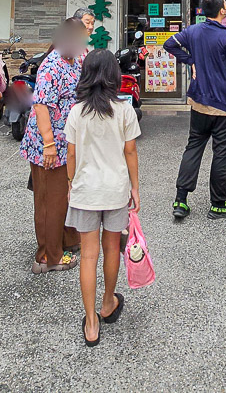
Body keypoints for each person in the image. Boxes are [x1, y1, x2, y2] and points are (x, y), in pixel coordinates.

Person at [65, 49, 141, 346]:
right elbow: (130, 151)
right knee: (112, 250)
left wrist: (72, 182)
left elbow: (71, 153)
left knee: (87, 255)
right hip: (115, 190)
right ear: (113, 76)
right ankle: (108, 303)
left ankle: (91, 322)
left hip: (85, 191)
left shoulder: (76, 111)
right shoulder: (124, 110)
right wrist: (135, 187)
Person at [165, 0, 226, 220]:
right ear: (222, 10)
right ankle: (218, 204)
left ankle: (180, 200)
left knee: (193, 147)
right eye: (225, 4)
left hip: (199, 102)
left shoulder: (193, 30)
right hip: (223, 105)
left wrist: (190, 60)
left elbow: (169, 44)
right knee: (223, 153)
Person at [20, 17, 87, 273]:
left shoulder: (75, 61)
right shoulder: (52, 64)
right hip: (48, 145)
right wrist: (49, 144)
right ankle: (48, 257)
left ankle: (68, 241)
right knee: (51, 201)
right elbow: (41, 106)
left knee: (66, 198)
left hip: (67, 142)